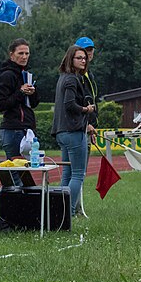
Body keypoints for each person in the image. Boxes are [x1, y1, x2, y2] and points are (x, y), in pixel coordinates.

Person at [52, 45, 95, 217]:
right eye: (79, 58)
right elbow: (69, 105)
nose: (83, 61)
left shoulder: (62, 78)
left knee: (67, 174)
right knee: (78, 174)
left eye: (84, 58)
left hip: (62, 132)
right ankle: (67, 213)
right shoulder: (71, 80)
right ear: (70, 59)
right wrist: (86, 109)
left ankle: (59, 212)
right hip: (73, 132)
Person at [0, 38, 39, 186]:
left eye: (27, 53)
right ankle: (14, 206)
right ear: (11, 55)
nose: (24, 56)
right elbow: (1, 104)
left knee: (24, 176)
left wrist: (33, 93)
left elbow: (32, 104)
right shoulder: (7, 75)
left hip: (25, 130)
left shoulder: (25, 74)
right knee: (17, 178)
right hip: (12, 130)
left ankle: (21, 206)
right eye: (21, 53)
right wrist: (20, 92)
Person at [75, 36, 98, 145]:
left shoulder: (89, 73)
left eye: (90, 50)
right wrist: (86, 124)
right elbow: (74, 103)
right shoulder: (75, 74)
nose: (88, 53)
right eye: (84, 50)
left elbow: (91, 100)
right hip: (79, 128)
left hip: (88, 127)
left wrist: (92, 125)